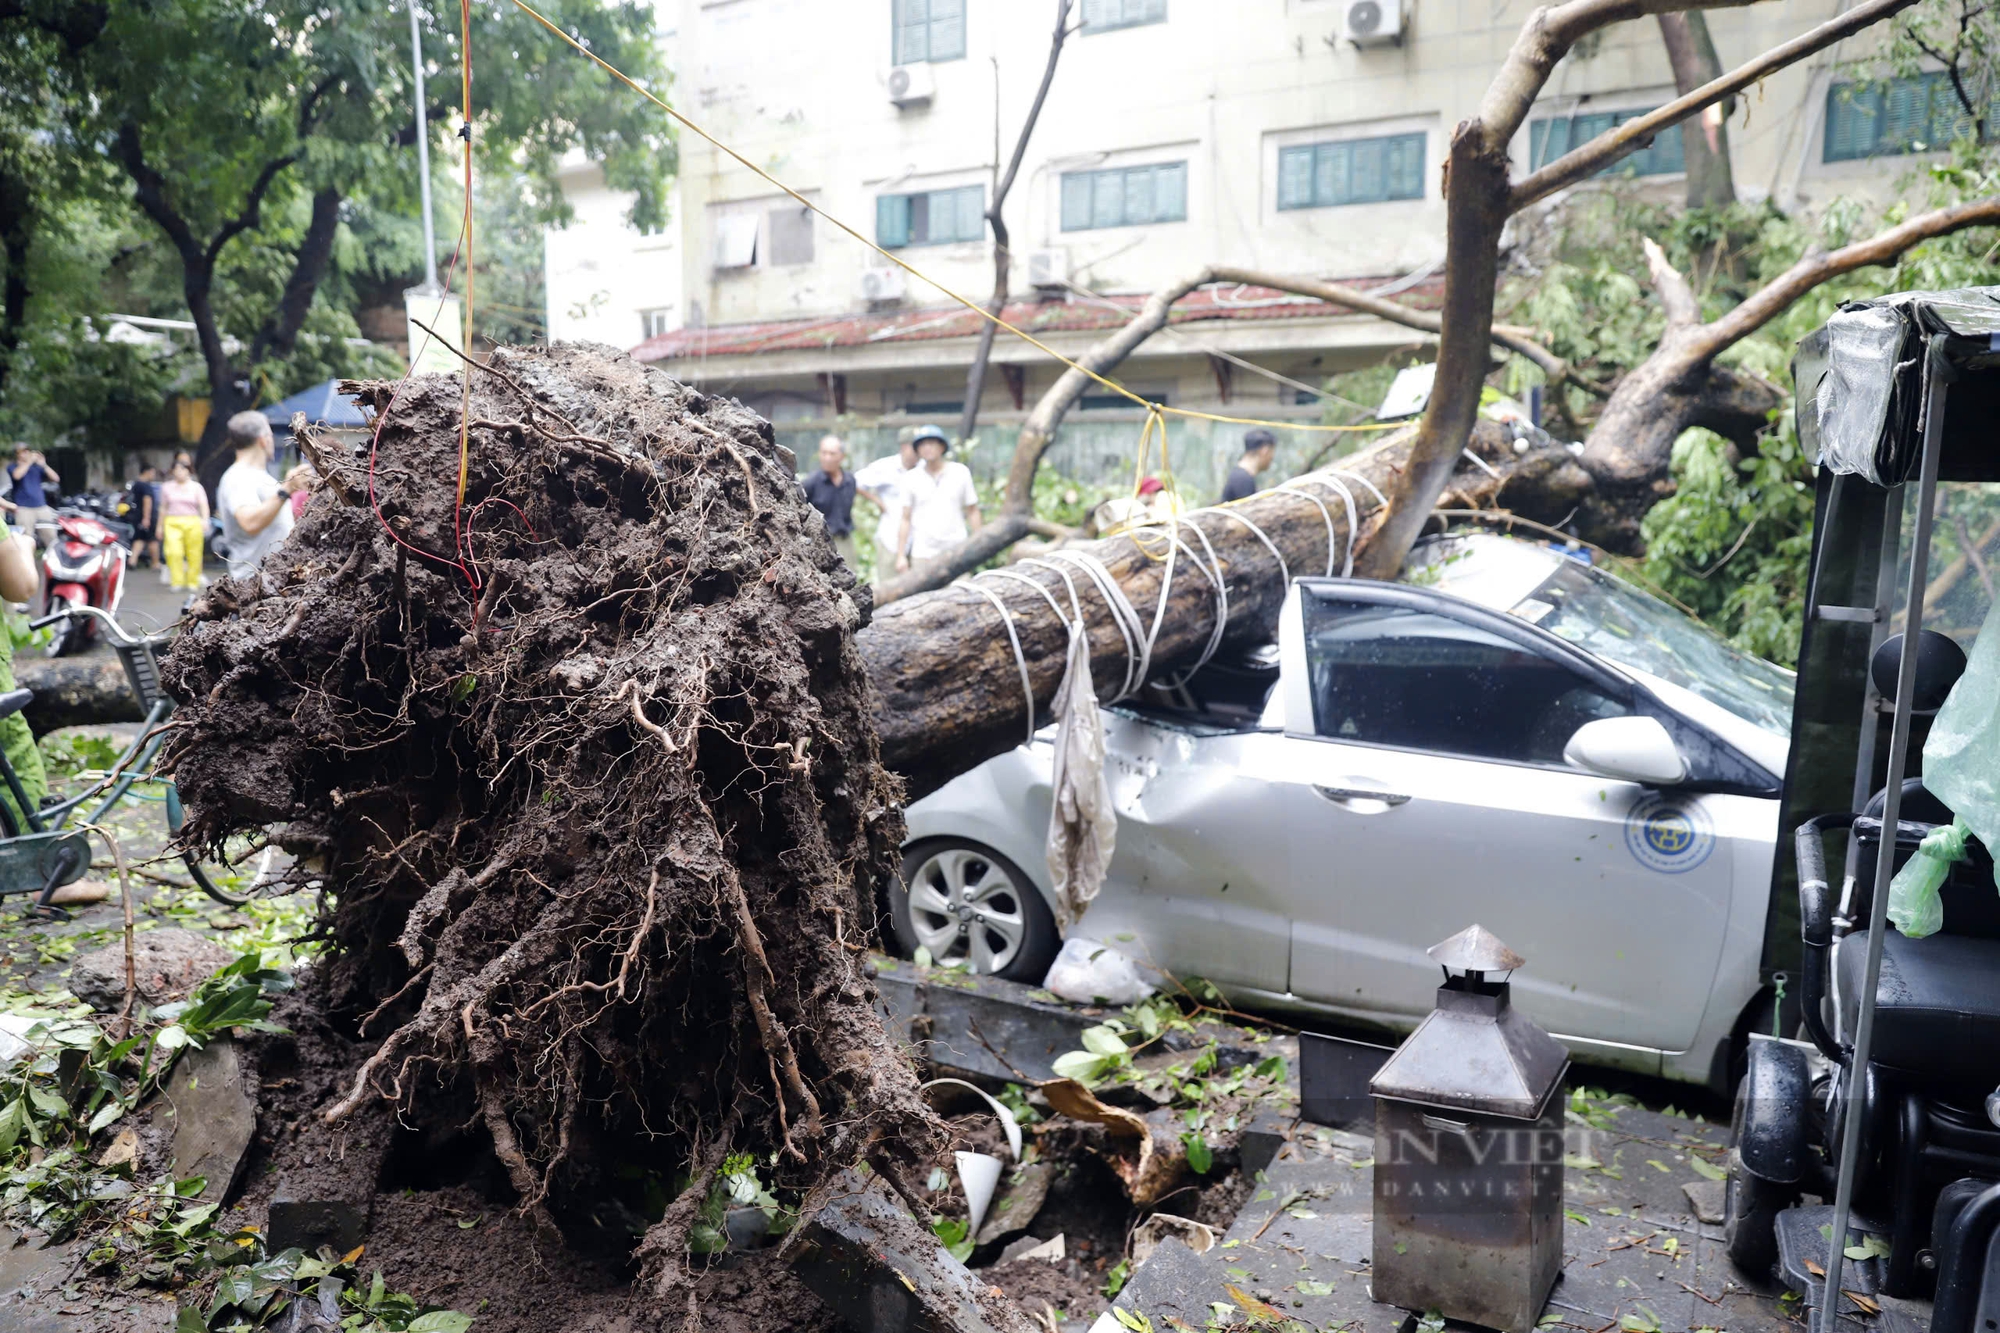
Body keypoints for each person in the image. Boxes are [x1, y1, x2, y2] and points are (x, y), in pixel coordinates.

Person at [216, 411, 307, 580]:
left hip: (274, 581)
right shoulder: (238, 477)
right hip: (254, 585)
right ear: (263, 439)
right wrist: (286, 489)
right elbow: (250, 522)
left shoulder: (261, 477)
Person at [893, 425, 982, 573]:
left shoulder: (960, 472)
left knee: (961, 592)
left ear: (942, 447)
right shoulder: (911, 478)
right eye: (922, 444)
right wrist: (901, 555)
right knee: (925, 595)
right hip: (923, 553)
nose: (927, 448)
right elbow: (905, 518)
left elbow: (972, 510)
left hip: (956, 549)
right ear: (918, 450)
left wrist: (979, 543)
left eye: (932, 443)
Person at [854, 432, 919, 579]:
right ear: (904, 447)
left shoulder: (923, 468)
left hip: (918, 541)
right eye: (915, 447)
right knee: (890, 584)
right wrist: (876, 500)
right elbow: (854, 482)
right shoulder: (885, 467)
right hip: (891, 537)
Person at [799, 435, 858, 568]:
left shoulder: (849, 481)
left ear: (842, 456)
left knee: (849, 579)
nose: (827, 458)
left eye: (832, 454)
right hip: (821, 543)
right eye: (824, 453)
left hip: (844, 540)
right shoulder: (811, 482)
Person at [159, 458, 211, 591]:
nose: (179, 472)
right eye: (176, 469)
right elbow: (163, 507)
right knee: (173, 552)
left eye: (182, 469)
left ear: (188, 471)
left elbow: (203, 505)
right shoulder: (166, 487)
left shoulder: (196, 487)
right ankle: (177, 580)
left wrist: (205, 520)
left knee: (194, 552)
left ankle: (193, 580)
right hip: (172, 521)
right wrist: (159, 526)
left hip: (192, 521)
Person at [8, 445, 58, 547]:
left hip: (41, 506)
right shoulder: (13, 466)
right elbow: (17, 476)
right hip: (24, 508)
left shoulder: (36, 468)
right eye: (23, 451)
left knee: (51, 537)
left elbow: (56, 478)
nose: (26, 453)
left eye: (27, 451)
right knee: (25, 540)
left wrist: (44, 465)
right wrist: (29, 462)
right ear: (17, 454)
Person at [1220, 428, 1277, 503]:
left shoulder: (1240, 475)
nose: (1272, 457)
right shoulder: (1243, 479)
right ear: (1265, 451)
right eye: (1272, 452)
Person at [128, 464, 161, 570]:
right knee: (152, 540)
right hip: (147, 516)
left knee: (140, 538)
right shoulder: (146, 486)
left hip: (137, 515)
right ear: (148, 472)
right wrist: (147, 518)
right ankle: (155, 563)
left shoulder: (136, 484)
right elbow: (147, 501)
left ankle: (132, 560)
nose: (154, 475)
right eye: (153, 473)